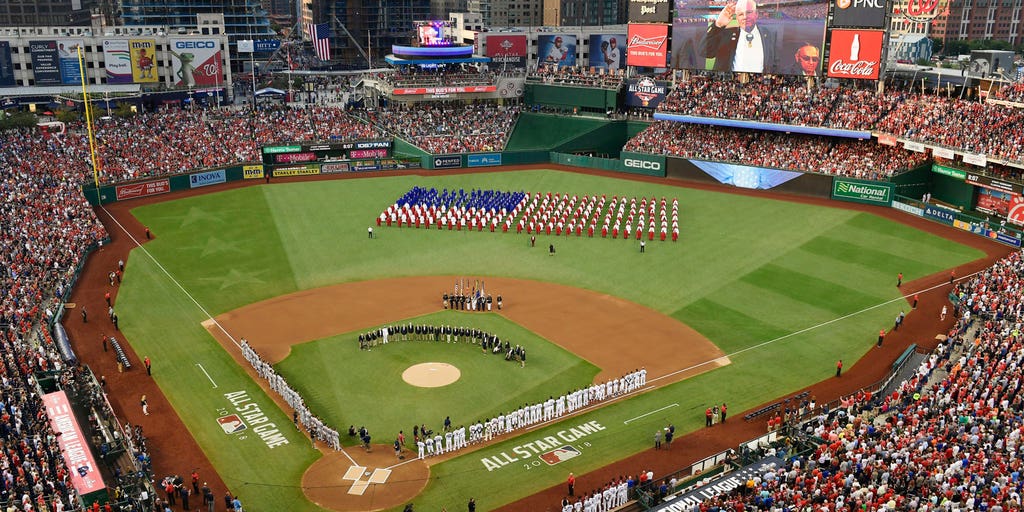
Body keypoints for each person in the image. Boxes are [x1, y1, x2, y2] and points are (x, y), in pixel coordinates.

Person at [702, 0, 778, 73]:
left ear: (756, 14)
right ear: (737, 17)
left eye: (748, 12)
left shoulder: (770, 34)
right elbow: (704, 52)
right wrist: (718, 24)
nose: (745, 17)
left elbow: (776, 63)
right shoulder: (726, 34)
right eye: (740, 14)